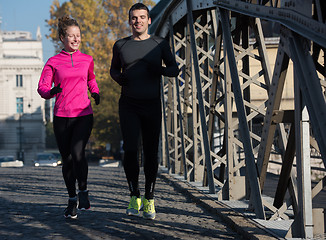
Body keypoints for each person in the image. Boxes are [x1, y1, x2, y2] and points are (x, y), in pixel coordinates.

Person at [110, 3, 179, 220]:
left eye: (142, 17)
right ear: (129, 21)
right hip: (128, 104)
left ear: (149, 20)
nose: (137, 21)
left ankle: (149, 198)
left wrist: (158, 70)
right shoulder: (120, 45)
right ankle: (134, 194)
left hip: (151, 104)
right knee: (130, 151)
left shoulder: (159, 43)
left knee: (150, 153)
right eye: (134, 18)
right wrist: (117, 77)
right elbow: (113, 68)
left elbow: (174, 69)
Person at [38, 16, 100, 219]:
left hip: (83, 113)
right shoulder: (53, 62)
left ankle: (83, 190)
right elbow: (42, 87)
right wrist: (51, 91)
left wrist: (95, 91)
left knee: (77, 152)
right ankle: (72, 200)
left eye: (78, 36)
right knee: (67, 159)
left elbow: (91, 78)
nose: (76, 39)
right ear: (62, 38)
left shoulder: (87, 59)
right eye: (71, 36)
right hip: (62, 116)